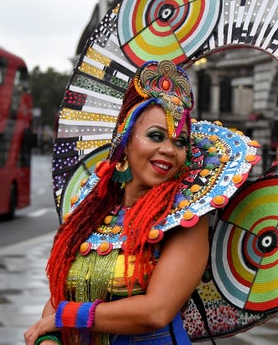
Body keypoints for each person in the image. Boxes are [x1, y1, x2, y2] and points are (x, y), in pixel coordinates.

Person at [24, 60, 209, 345]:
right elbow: (58, 296)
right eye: (156, 136)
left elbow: (155, 312)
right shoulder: (92, 210)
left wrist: (64, 317)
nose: (169, 150)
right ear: (126, 140)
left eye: (180, 142)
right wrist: (47, 339)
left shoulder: (186, 217)